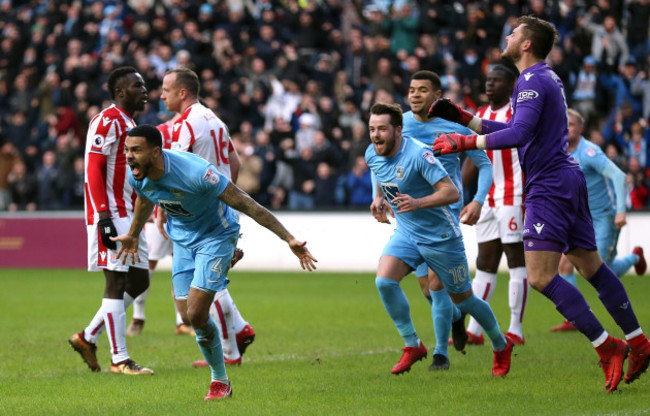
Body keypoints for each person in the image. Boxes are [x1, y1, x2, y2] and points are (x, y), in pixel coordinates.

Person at [431, 16, 650, 392]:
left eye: (513, 32)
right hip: (566, 178)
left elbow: (519, 134)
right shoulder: (544, 78)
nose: (508, 36)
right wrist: (467, 120)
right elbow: (518, 130)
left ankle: (607, 346)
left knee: (540, 276)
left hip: (549, 185)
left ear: (527, 43)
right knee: (592, 268)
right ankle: (640, 342)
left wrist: (464, 142)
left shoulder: (531, 80)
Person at [113, 124, 316, 400]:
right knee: (187, 315)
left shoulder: (197, 173)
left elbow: (246, 203)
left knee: (196, 313)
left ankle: (220, 381)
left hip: (217, 235)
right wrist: (134, 234)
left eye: (135, 150)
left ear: (156, 151)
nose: (129, 156)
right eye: (127, 150)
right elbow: (145, 199)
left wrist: (289, 238)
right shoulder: (138, 173)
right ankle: (218, 278)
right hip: (182, 240)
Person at [366, 103, 513, 377]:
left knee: (465, 299)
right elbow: (381, 173)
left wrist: (417, 202)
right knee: (384, 281)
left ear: (398, 130)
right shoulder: (371, 153)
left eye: (382, 129)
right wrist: (379, 199)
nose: (375, 135)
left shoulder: (420, 155)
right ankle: (413, 345)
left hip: (441, 237)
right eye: (372, 129)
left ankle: (501, 343)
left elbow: (452, 192)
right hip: (407, 233)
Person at [160, 68, 255, 366]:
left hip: (199, 216)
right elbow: (234, 161)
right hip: (221, 209)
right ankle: (238, 331)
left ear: (182, 93)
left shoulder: (185, 125)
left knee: (202, 287)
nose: (161, 94)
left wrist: (164, 211)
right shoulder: (214, 119)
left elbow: (173, 173)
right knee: (210, 284)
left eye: (166, 89)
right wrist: (228, 198)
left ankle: (230, 351)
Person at [401, 70, 494, 370]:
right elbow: (382, 161)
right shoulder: (399, 124)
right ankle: (456, 317)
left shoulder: (454, 124)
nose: (415, 94)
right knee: (427, 288)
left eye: (422, 89)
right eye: (412, 89)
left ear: (437, 96)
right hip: (410, 217)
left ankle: (441, 354)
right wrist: (380, 196)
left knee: (437, 284)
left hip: (444, 217)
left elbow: (484, 164)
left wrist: (478, 200)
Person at [68, 66, 154, 375]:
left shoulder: (130, 123)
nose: (144, 90)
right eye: (137, 85)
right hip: (112, 213)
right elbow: (93, 168)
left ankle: (87, 336)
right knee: (116, 281)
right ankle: (120, 360)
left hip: (131, 214)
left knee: (141, 279)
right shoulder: (106, 120)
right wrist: (103, 215)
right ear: (120, 92)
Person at [551, 109, 647, 332]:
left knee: (598, 270)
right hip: (578, 220)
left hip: (604, 216)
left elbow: (619, 176)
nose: (567, 128)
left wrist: (621, 211)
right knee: (565, 265)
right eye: (563, 124)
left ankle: (634, 256)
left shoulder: (590, 151)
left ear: (580, 128)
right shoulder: (558, 151)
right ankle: (573, 318)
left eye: (571, 124)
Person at [460, 65, 528, 345]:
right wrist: (457, 189)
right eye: (488, 80)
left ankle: (516, 329)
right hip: (486, 198)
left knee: (515, 259)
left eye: (497, 80)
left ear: (512, 84)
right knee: (485, 262)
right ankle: (475, 331)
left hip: (514, 194)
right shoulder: (483, 116)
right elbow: (473, 159)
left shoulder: (519, 113)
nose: (490, 84)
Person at [126, 114, 196, 337]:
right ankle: (138, 315)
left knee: (181, 267)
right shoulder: (160, 133)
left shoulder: (188, 130)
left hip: (181, 215)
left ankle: (181, 321)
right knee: (149, 265)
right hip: (155, 214)